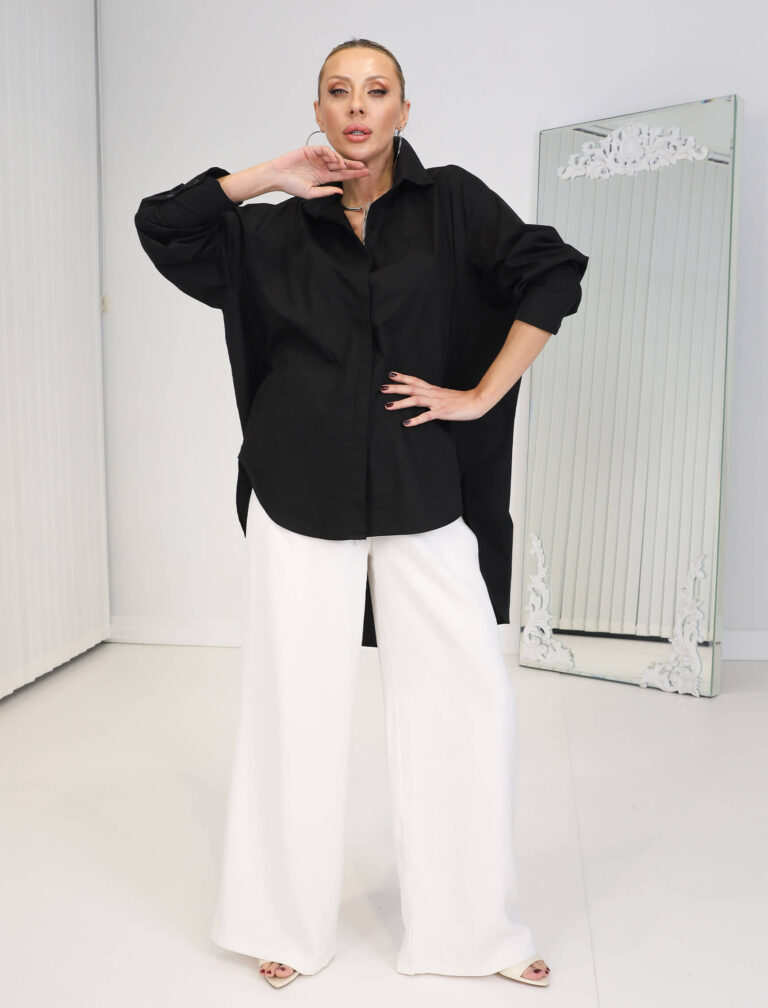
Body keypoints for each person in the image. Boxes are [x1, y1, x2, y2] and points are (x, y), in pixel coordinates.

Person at [134, 38, 588, 991]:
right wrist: (269, 176)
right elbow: (162, 226)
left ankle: (475, 934)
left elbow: (551, 273)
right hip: (298, 492)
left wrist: (481, 394)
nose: (357, 107)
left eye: (377, 91)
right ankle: (282, 923)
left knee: (465, 705)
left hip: (425, 489)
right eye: (338, 92)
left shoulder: (454, 204)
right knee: (293, 709)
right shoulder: (269, 232)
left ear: (403, 112)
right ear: (318, 110)